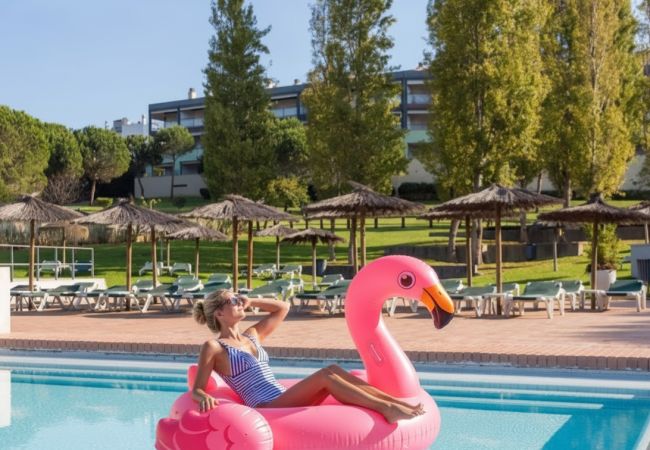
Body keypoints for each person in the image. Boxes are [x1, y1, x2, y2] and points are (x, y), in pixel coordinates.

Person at [191, 289, 424, 423]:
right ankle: (386, 408)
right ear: (219, 313)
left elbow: (283, 307)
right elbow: (198, 388)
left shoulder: (251, 335)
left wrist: (252, 300)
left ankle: (394, 403)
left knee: (333, 369)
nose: (239, 302)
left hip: (282, 397)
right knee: (325, 375)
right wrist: (203, 397)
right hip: (265, 406)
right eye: (233, 300)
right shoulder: (214, 347)